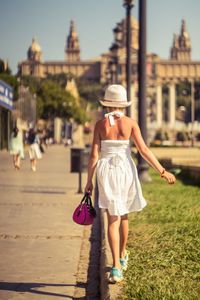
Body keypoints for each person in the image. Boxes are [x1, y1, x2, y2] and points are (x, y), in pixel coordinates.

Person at [84, 84, 176, 284]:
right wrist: (162, 170)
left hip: (106, 171)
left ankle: (116, 266)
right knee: (123, 214)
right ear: (124, 105)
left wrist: (89, 181)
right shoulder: (131, 123)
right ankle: (122, 255)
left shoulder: (100, 125)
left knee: (112, 218)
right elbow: (144, 150)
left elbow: (94, 156)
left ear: (107, 105)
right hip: (126, 169)